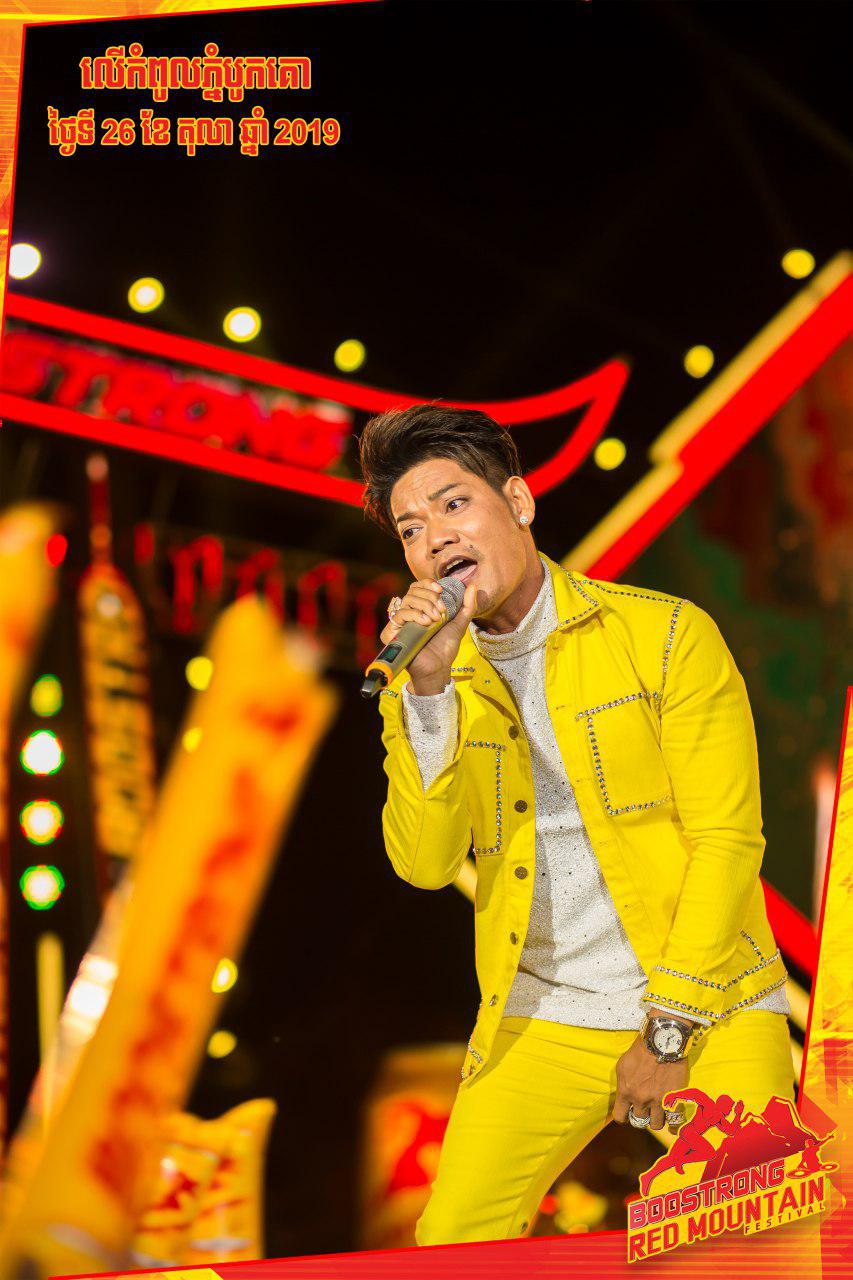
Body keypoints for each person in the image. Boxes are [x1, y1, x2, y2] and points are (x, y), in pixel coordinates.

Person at [357, 404, 795, 1243]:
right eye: (410, 530)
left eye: (453, 504)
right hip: (543, 1014)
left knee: (754, 1245)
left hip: (707, 1000)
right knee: (448, 1248)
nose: (434, 538)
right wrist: (428, 693)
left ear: (518, 502)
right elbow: (422, 862)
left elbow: (727, 840)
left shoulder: (662, 634)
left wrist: (667, 1029)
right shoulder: (433, 679)